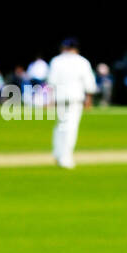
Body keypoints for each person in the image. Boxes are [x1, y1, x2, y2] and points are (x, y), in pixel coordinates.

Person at [47, 37, 97, 168]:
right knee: (70, 128)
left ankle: (58, 153)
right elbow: (89, 82)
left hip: (60, 98)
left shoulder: (56, 61)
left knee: (60, 126)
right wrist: (89, 99)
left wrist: (50, 99)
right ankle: (65, 157)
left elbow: (51, 81)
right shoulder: (82, 62)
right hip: (75, 99)